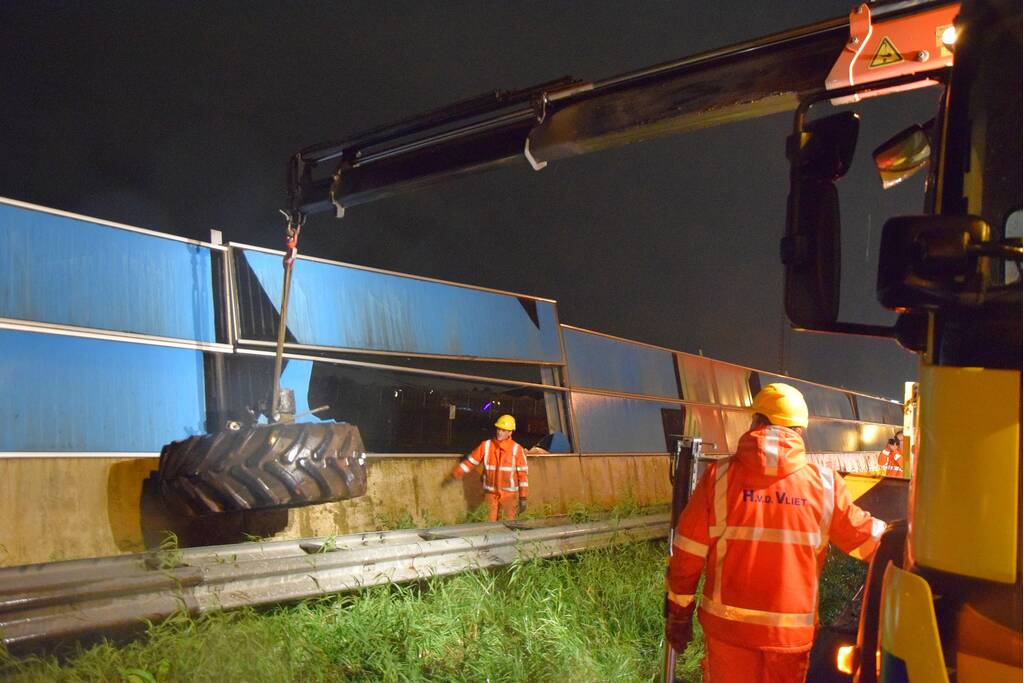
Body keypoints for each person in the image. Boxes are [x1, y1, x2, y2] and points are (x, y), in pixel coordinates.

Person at [664, 383, 886, 682]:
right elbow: (866, 538)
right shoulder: (825, 485)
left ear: (756, 422)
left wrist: (680, 614)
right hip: (790, 640)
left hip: (729, 634)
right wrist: (909, 540)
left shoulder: (719, 478)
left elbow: (687, 555)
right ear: (800, 431)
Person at [448, 414, 528, 521]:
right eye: (498, 429)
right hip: (490, 494)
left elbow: (523, 477)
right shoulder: (486, 446)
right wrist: (455, 473)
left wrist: (523, 498)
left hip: (509, 496)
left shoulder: (517, 449)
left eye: (504, 430)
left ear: (510, 432)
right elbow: (471, 461)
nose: (499, 432)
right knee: (488, 525)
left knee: (507, 525)